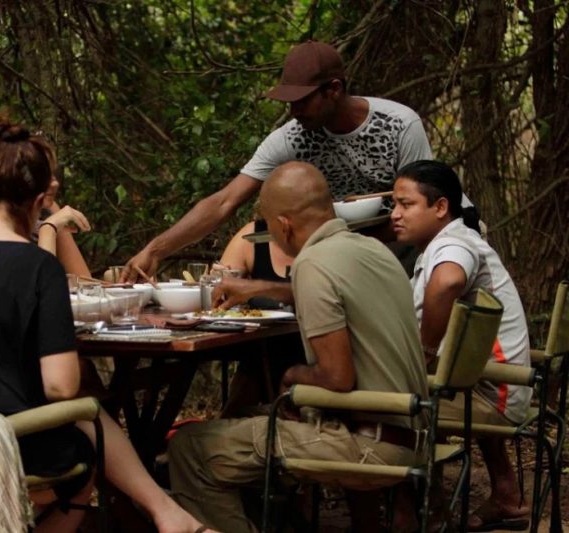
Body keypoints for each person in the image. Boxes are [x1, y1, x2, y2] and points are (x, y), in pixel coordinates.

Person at [0, 121, 209, 533]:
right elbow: (60, 387)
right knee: (82, 448)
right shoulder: (37, 267)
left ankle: (168, 515)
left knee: (74, 422)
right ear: (38, 202)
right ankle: (168, 516)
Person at [168, 161, 428, 533]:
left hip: (367, 446)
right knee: (245, 425)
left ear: (283, 224)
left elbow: (337, 378)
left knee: (190, 449)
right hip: (414, 434)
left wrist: (293, 375)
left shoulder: (313, 263)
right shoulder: (375, 251)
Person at [122, 40, 433, 282]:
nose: (293, 111)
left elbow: (423, 210)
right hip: (339, 252)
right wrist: (155, 250)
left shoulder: (398, 125)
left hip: (402, 248)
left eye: (302, 101)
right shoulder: (291, 137)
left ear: (334, 90)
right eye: (289, 102)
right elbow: (223, 202)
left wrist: (343, 245)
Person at [391, 160, 531, 531]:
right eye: (394, 205)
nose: (395, 214)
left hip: (492, 392)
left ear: (440, 207)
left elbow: (448, 282)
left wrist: (424, 352)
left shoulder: (453, 244)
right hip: (495, 384)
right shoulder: (445, 242)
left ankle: (427, 516)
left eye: (406, 205)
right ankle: (506, 494)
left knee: (390, 408)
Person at [215, 217, 303, 417]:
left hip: (310, 355)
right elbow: (221, 285)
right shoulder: (255, 235)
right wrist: (223, 281)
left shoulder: (323, 241)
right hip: (260, 351)